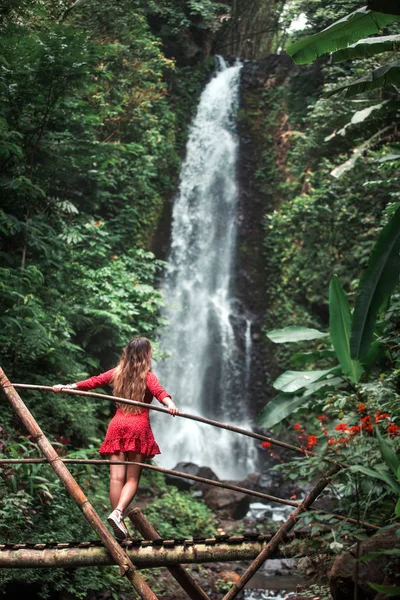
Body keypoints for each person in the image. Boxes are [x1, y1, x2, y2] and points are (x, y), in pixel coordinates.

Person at [52, 337, 178, 540]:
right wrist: (170, 404)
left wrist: (68, 386)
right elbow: (159, 393)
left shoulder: (116, 373)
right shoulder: (148, 376)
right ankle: (118, 513)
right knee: (132, 478)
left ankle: (116, 521)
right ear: (146, 355)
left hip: (117, 426)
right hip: (138, 427)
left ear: (127, 353)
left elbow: (92, 382)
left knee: (115, 478)